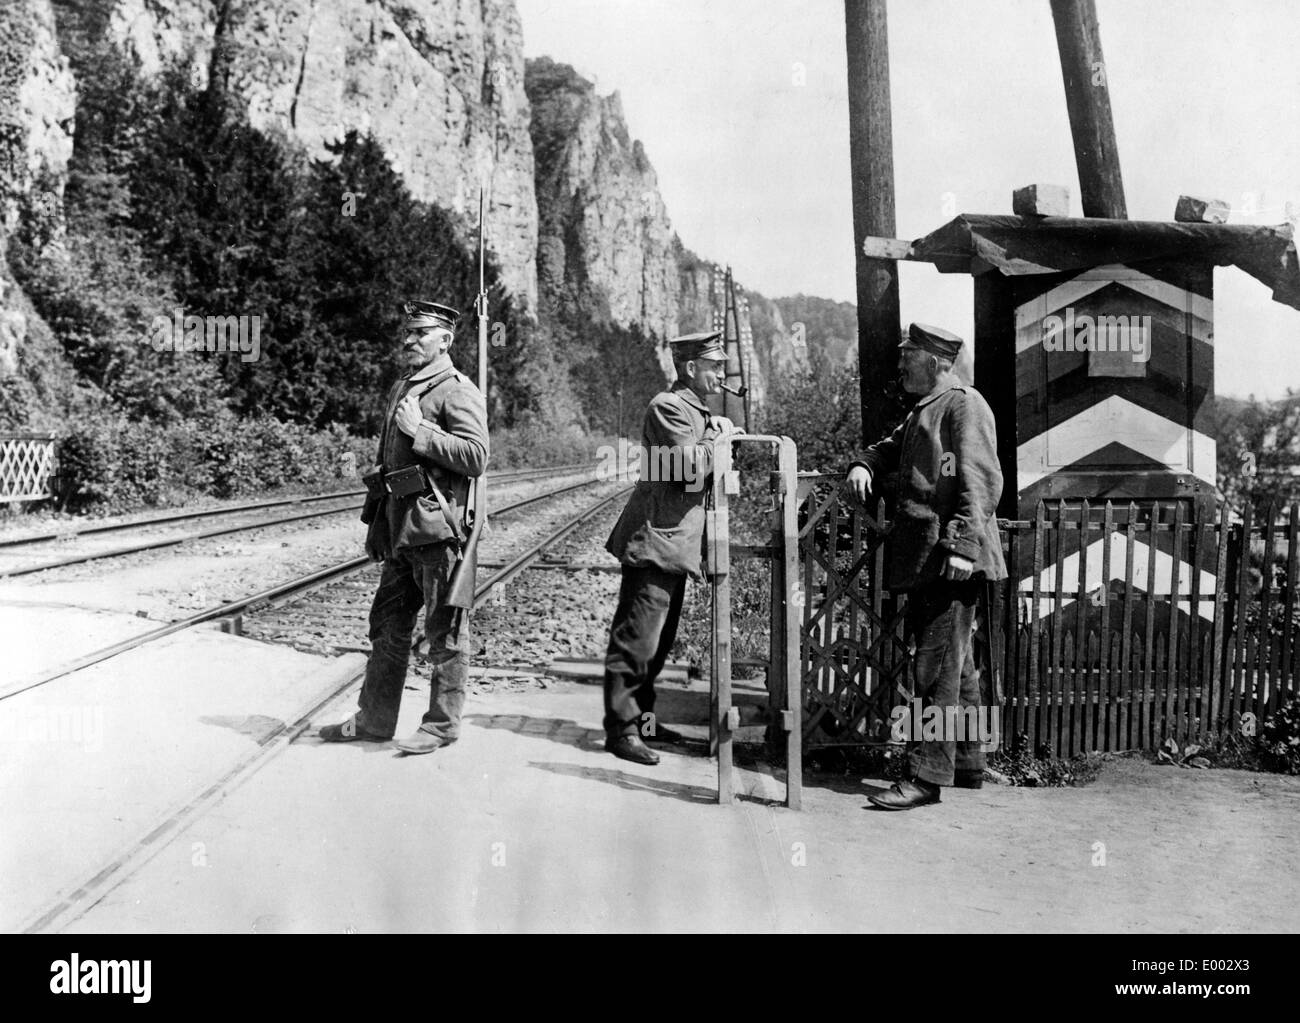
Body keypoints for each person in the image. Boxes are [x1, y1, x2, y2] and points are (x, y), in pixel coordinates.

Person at [846, 323, 1006, 809]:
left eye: (908, 357)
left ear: (936, 363)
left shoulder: (964, 405)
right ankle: (968, 762)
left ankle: (924, 776)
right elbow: (887, 447)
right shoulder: (925, 410)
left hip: (950, 559)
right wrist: (864, 464)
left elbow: (980, 481)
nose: (899, 364)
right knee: (958, 668)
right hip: (931, 559)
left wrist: (961, 546)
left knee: (933, 670)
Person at [318, 301, 488, 755]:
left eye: (420, 333)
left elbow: (476, 456)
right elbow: (385, 462)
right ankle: (375, 719)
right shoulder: (401, 388)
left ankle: (440, 727)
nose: (409, 340)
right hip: (399, 531)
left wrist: (421, 432)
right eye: (408, 333)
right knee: (387, 626)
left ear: (445, 340)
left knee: (445, 633)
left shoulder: (457, 390)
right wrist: (375, 522)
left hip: (437, 532)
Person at [601, 331, 736, 765]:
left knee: (658, 644)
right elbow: (687, 469)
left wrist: (712, 430)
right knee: (637, 640)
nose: (722, 374)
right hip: (656, 542)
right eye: (715, 366)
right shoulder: (667, 407)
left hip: (674, 545)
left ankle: (643, 722)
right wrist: (719, 440)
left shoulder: (694, 411)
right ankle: (621, 730)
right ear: (691, 369)